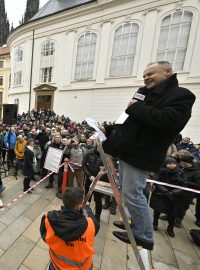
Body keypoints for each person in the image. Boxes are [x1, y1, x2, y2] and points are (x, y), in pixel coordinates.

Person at [101, 61, 196, 250]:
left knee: (133, 192)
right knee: (125, 188)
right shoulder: (143, 92)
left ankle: (144, 235)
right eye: (144, 75)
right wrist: (110, 129)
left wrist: (135, 108)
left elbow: (169, 121)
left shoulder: (182, 96)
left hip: (141, 152)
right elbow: (128, 120)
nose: (146, 78)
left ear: (168, 72)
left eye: (151, 73)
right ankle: (131, 221)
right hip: (127, 149)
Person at [40, 187, 99, 270]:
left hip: (56, 266)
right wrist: (87, 210)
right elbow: (95, 227)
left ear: (64, 201)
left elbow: (44, 237)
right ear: (79, 205)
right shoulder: (92, 224)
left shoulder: (48, 218)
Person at [150, 157, 186, 238]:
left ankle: (170, 228)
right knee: (157, 211)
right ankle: (155, 223)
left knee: (172, 214)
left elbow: (184, 185)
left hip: (173, 196)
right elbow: (156, 182)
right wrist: (165, 191)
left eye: (174, 164)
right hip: (160, 194)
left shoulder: (180, 172)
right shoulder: (160, 170)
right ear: (165, 164)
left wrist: (173, 192)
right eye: (170, 164)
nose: (172, 165)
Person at [82, 146, 103, 222]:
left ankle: (97, 216)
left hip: (99, 182)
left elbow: (109, 169)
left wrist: (100, 176)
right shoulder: (89, 153)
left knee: (98, 199)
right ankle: (85, 213)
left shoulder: (106, 155)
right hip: (89, 179)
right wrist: (89, 175)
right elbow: (84, 165)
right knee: (87, 197)